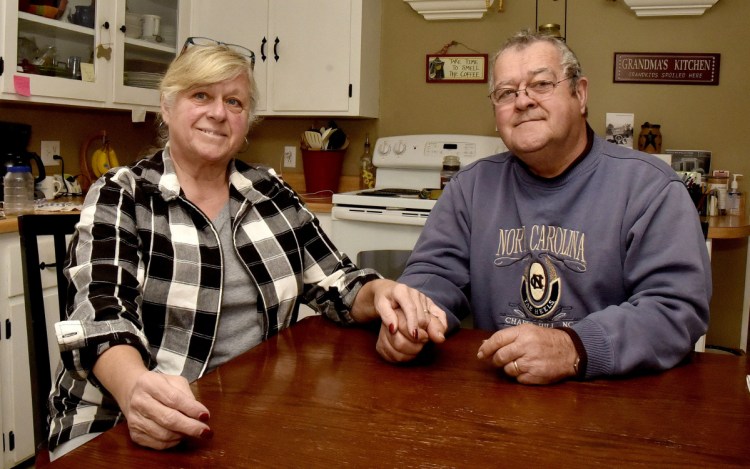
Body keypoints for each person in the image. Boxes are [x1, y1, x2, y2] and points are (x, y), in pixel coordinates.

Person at [47, 38, 447, 458]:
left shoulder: (269, 193)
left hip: (249, 416)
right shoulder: (122, 194)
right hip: (119, 421)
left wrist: (382, 293)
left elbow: (339, 282)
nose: (218, 113)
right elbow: (101, 317)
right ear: (167, 106)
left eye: (234, 102)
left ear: (246, 120)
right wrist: (134, 390)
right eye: (201, 95)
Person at [398, 29, 711, 385]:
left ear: (580, 94)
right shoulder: (470, 187)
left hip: (616, 401)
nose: (523, 101)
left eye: (541, 84)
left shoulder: (650, 188)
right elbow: (434, 275)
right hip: (499, 397)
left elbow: (676, 310)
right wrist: (411, 318)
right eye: (505, 93)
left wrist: (574, 347)